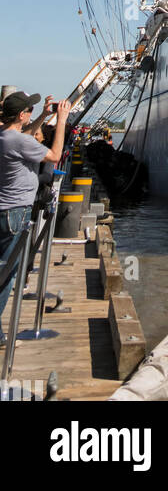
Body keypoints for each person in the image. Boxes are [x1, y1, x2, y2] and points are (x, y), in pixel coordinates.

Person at [0, 92, 70, 346]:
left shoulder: (5, 136)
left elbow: (24, 134)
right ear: (20, 115)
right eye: (29, 109)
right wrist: (61, 120)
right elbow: (54, 154)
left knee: (3, 269)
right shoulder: (17, 141)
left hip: (4, 210)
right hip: (15, 212)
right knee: (7, 274)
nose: (31, 113)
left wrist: (43, 115)